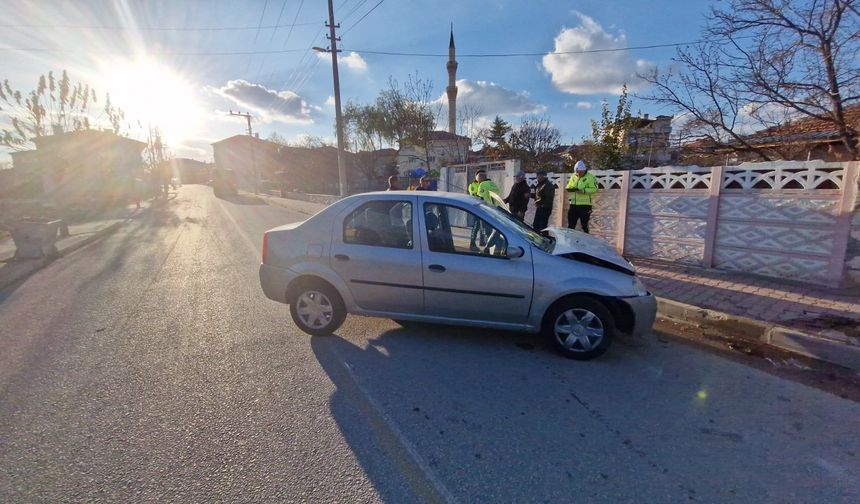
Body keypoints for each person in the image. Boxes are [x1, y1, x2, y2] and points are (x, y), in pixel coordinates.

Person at [566, 160, 598, 233]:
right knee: (571, 225)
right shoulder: (573, 176)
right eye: (577, 172)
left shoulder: (590, 177)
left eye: (580, 172)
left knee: (584, 226)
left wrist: (583, 191)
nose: (578, 174)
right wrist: (570, 189)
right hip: (573, 204)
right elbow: (568, 185)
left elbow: (595, 189)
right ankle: (570, 242)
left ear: (584, 170)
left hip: (585, 206)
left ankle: (586, 242)